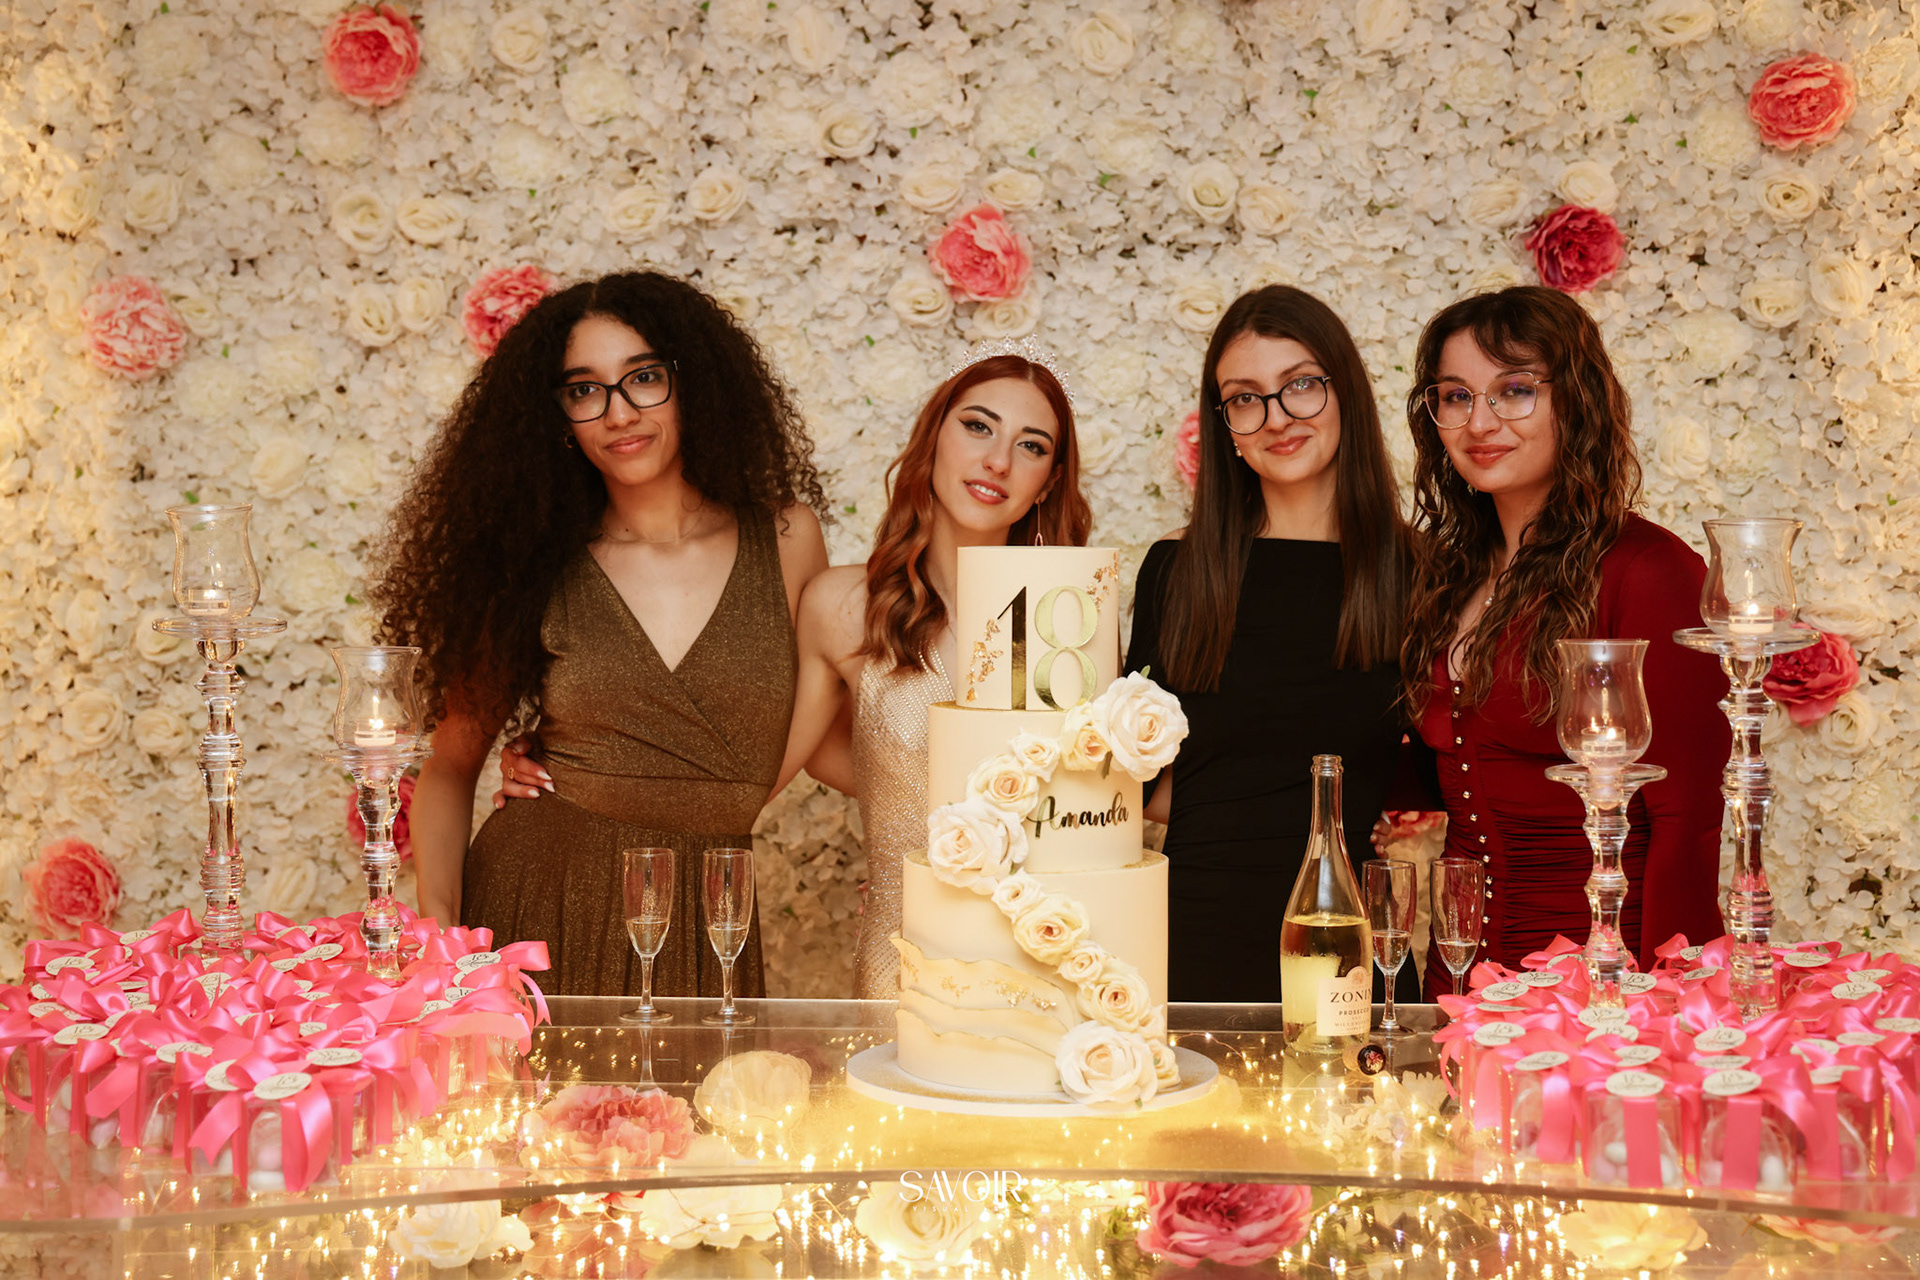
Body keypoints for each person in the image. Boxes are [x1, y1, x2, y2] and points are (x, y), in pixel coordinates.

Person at [372, 270, 829, 998]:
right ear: (558, 416)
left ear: (691, 382)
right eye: (585, 389)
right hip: (544, 901)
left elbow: (826, 727)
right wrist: (446, 948)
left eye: (643, 378)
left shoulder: (787, 539)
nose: (619, 413)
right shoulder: (530, 564)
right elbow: (450, 769)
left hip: (711, 914)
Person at [1400, 285, 1729, 992]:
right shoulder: (1448, 575)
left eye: (1514, 391)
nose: (1479, 421)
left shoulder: (1649, 572)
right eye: (1455, 396)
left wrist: (1666, 1000)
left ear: (1574, 401)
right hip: (1457, 977)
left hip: (1601, 983)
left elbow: (1687, 822)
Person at [1125, 286, 1414, 1004]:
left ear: (1346, 392)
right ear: (1223, 423)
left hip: (1350, 949)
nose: (1277, 417)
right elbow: (1133, 780)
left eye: (1301, 385)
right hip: (1195, 938)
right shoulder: (1177, 568)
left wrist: (1385, 816)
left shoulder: (1419, 572)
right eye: (1245, 398)